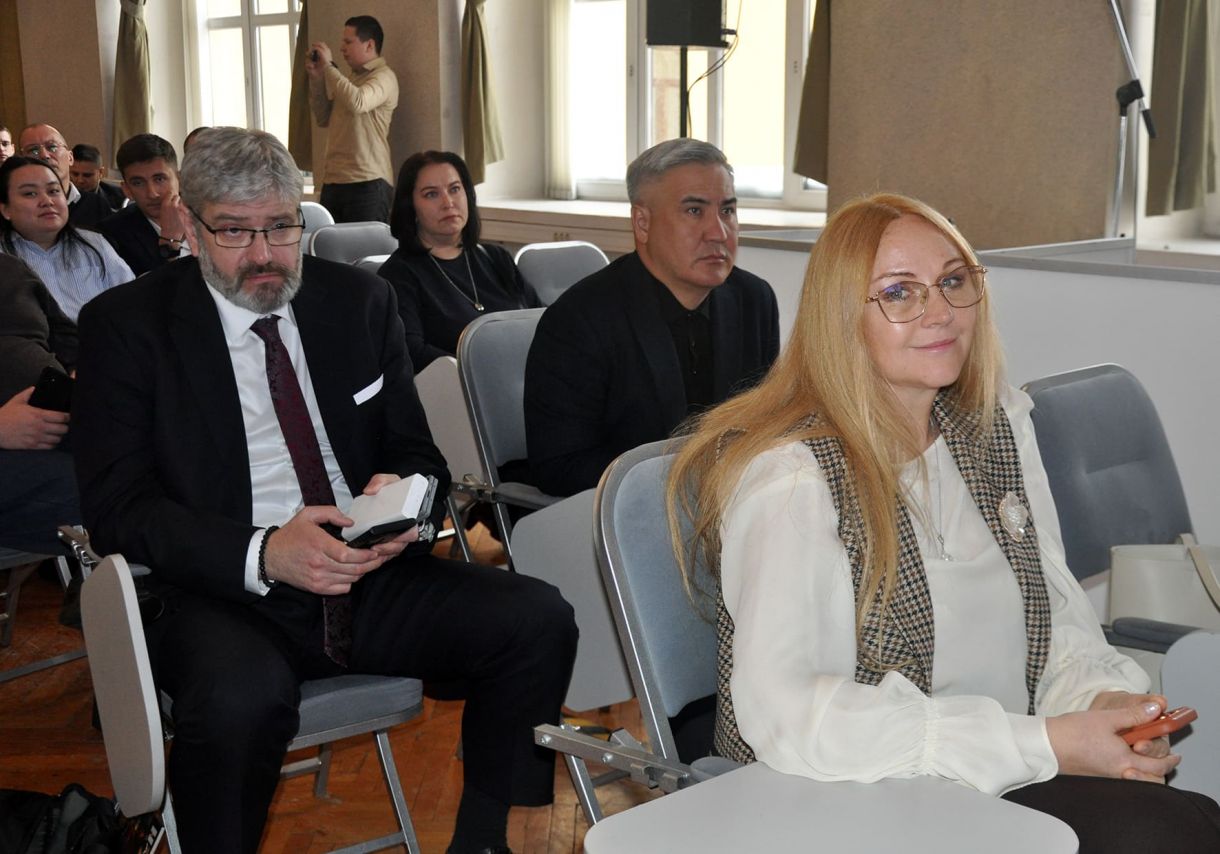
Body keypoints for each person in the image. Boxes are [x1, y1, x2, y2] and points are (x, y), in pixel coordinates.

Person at [73, 127, 576, 854]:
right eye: (234, 231)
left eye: (281, 227)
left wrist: (406, 500)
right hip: (221, 587)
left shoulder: (358, 302)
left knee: (538, 618)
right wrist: (265, 552)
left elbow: (417, 452)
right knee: (239, 701)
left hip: (364, 566)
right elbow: (118, 506)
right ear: (187, 221)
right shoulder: (127, 326)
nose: (263, 255)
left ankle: (482, 840)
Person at [666, 192, 1220, 852]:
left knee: (1182, 822)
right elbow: (787, 714)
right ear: (842, 318)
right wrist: (1044, 742)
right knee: (1168, 832)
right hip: (854, 791)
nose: (941, 312)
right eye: (899, 292)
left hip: (998, 770)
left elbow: (1056, 626)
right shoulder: (793, 478)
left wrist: (1101, 703)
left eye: (954, 281)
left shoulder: (992, 430)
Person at [524, 138, 779, 498]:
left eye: (727, 211)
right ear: (642, 223)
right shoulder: (580, 320)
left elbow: (765, 423)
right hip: (624, 513)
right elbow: (559, 466)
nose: (718, 232)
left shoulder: (753, 299)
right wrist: (687, 477)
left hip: (733, 506)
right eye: (695, 211)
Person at [379, 150, 540, 371]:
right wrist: (484, 372)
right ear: (411, 207)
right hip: (455, 386)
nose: (448, 202)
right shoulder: (398, 275)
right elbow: (413, 352)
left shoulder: (496, 258)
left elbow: (541, 319)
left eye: (455, 189)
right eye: (431, 194)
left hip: (523, 376)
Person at [0, 253, 80, 554]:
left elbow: (70, 342)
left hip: (58, 415)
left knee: (158, 457)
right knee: (98, 489)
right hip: (9, 447)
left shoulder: (9, 268)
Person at [0, 157, 133, 322]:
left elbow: (131, 302)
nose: (47, 201)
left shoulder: (94, 244)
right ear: (5, 209)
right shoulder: (4, 257)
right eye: (30, 193)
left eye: (54, 191)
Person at [306, 15, 398, 223]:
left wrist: (329, 67)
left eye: (348, 42)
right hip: (334, 181)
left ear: (369, 45)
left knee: (367, 244)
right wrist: (317, 79)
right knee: (330, 244)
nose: (342, 48)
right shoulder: (350, 80)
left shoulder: (384, 77)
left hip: (368, 182)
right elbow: (322, 117)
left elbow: (358, 102)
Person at [97, 134, 185, 276]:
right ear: (127, 190)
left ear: (179, 179)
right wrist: (170, 242)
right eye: (138, 183)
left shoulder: (208, 218)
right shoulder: (111, 235)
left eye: (159, 179)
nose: (152, 193)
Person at [18, 124, 112, 228]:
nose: (44, 155)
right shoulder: (18, 207)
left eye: (52, 147)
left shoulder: (96, 204)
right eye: (33, 151)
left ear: (70, 158)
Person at [69, 143, 126, 211]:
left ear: (100, 172)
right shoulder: (59, 196)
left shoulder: (121, 197)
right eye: (75, 174)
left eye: (87, 175)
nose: (80, 180)